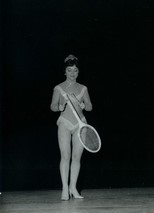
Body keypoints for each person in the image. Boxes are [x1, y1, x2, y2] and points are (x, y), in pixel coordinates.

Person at [50, 54, 93, 200]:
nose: (72, 73)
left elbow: (90, 106)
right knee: (65, 156)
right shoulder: (58, 88)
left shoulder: (83, 88)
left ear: (78, 72)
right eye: (69, 70)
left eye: (75, 70)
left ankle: (73, 188)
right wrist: (59, 107)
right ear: (65, 72)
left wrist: (84, 105)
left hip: (80, 124)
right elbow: (52, 106)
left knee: (76, 157)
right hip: (65, 123)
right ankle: (64, 189)